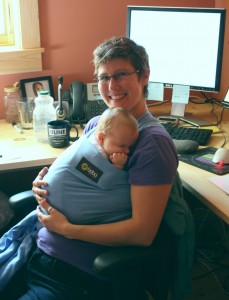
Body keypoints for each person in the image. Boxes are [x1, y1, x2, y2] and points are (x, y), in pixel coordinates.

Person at [2, 36, 179, 299]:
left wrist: (68, 229)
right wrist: (43, 186)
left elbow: (143, 233)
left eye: (120, 74)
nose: (111, 86)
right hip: (37, 250)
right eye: (103, 77)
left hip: (75, 275)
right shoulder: (98, 123)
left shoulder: (151, 143)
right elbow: (79, 171)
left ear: (144, 76)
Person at [39, 106, 139, 224]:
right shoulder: (94, 154)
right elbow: (109, 181)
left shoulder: (101, 138)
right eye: (122, 146)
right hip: (54, 207)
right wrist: (118, 166)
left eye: (130, 147)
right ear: (101, 138)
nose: (127, 151)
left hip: (51, 208)